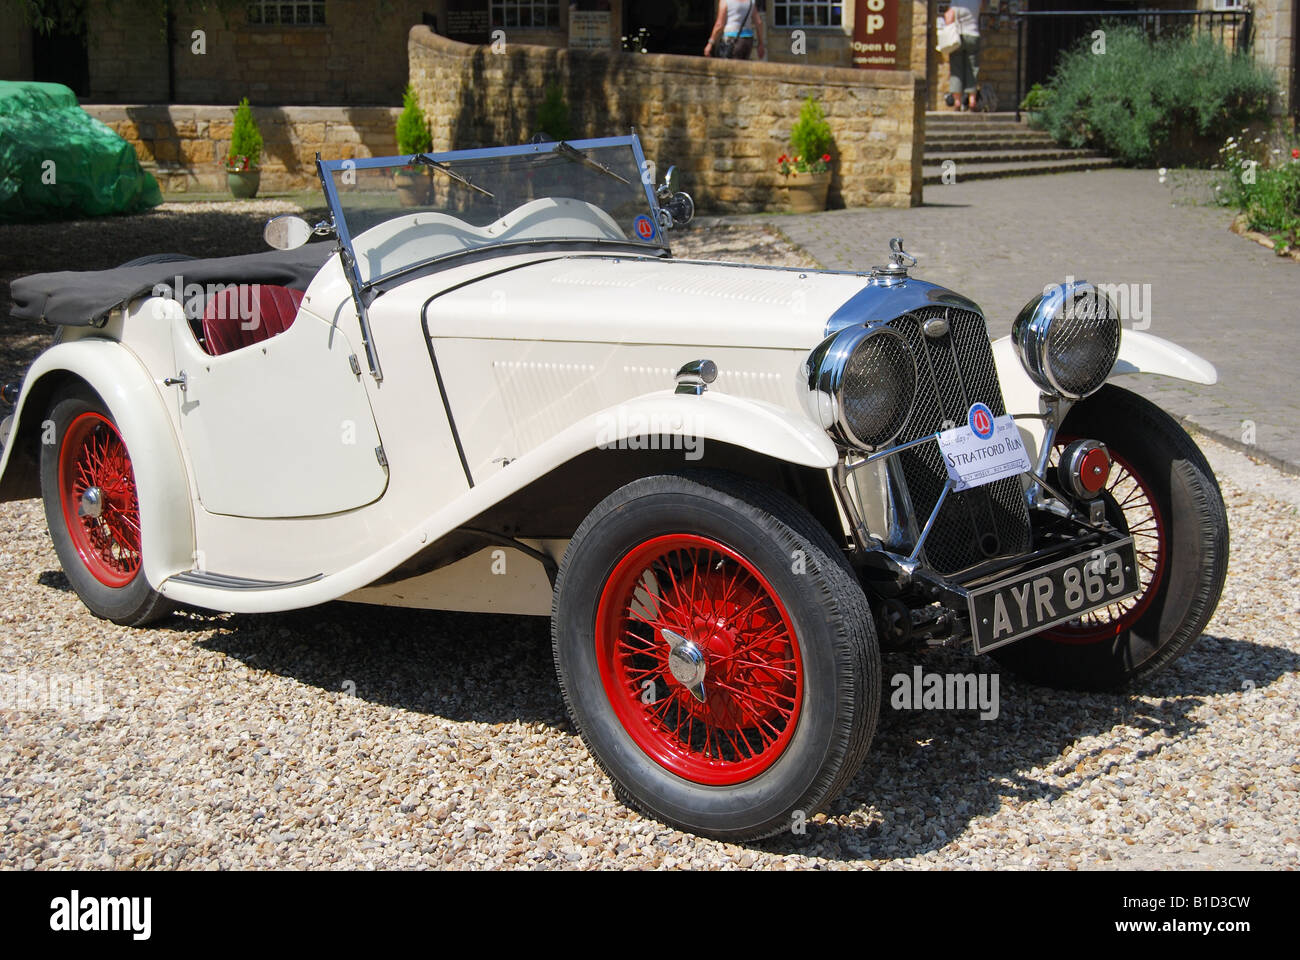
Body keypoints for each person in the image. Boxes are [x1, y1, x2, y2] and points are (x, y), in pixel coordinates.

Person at [946, 0, 982, 111]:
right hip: (973, 35)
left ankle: (957, 102)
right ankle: (972, 101)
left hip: (958, 36)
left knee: (956, 69)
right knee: (973, 68)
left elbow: (949, 16)